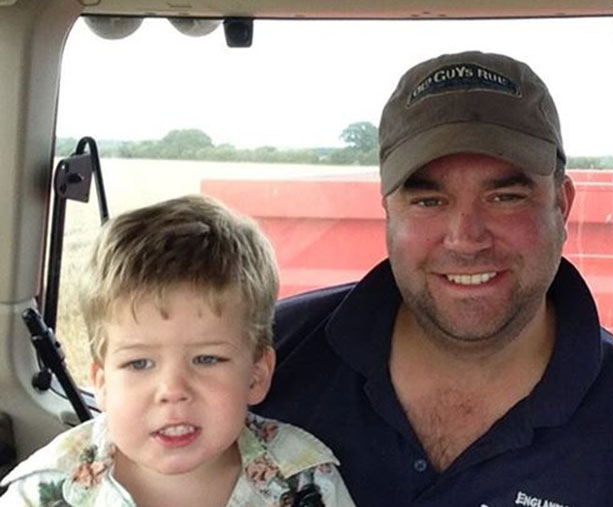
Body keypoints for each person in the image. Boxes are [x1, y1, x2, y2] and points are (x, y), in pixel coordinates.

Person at [255, 50, 613, 506]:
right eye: (428, 202)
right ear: (387, 211)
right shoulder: (261, 365)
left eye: (505, 197)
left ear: (563, 205)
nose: (465, 239)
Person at [0, 195, 355, 506]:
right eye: (139, 363)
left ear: (256, 375)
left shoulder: (305, 480)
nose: (172, 391)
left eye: (206, 359)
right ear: (102, 383)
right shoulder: (45, 491)